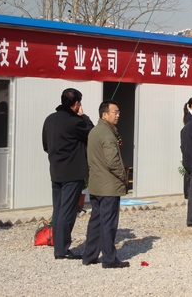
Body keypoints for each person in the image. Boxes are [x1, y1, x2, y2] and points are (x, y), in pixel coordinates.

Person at [42, 88, 94, 260]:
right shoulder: (75, 121)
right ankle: (62, 249)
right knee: (68, 211)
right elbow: (92, 133)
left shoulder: (49, 119)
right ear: (77, 103)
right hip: (73, 172)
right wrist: (84, 116)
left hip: (56, 171)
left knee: (58, 209)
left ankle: (59, 247)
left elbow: (46, 146)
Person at [82, 100, 129, 268]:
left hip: (96, 185)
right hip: (109, 186)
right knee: (108, 224)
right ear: (104, 114)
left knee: (96, 221)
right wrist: (123, 177)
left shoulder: (94, 131)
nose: (118, 115)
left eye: (118, 112)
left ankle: (89, 255)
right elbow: (112, 162)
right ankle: (109, 259)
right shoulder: (108, 134)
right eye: (115, 112)